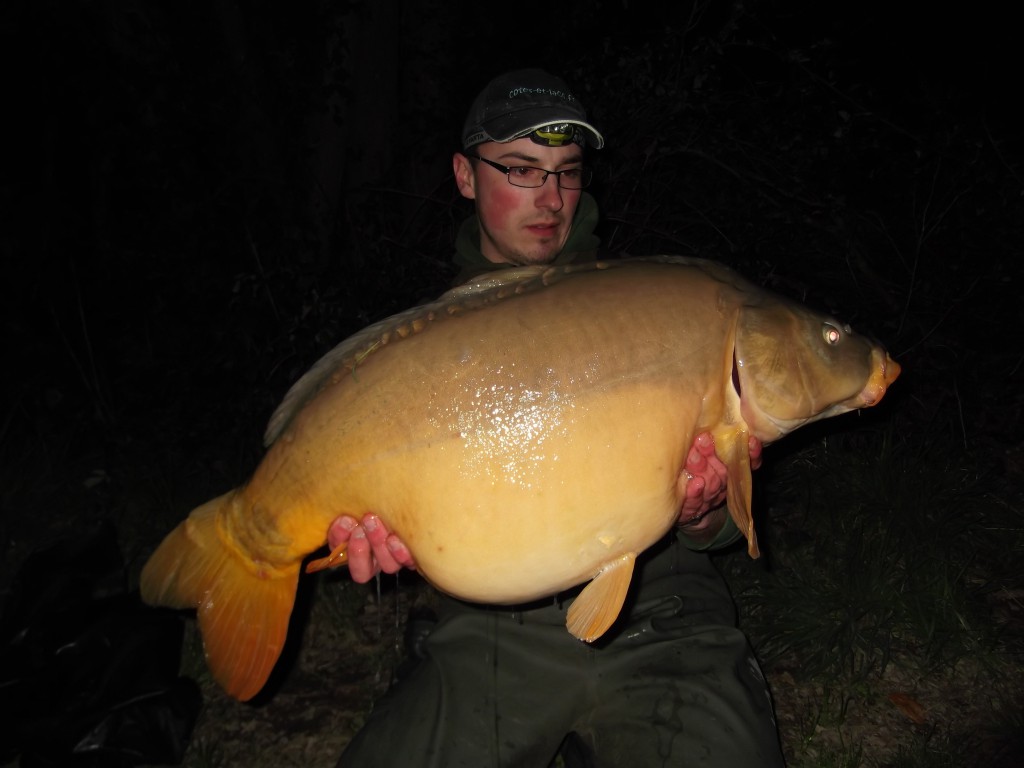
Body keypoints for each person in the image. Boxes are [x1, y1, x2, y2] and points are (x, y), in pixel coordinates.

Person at [328, 69, 784, 768]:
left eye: (567, 173)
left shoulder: (656, 307)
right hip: (494, 635)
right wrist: (373, 534)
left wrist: (702, 511)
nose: (551, 199)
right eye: (521, 169)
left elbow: (718, 529)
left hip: (659, 613)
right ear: (464, 175)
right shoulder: (416, 358)